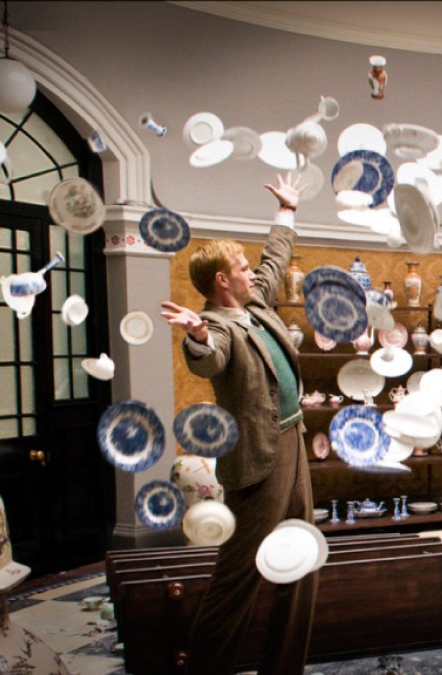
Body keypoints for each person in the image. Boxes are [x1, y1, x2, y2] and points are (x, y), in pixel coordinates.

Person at [160, 173, 315, 675]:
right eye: (242, 268)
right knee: (239, 577)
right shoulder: (217, 324)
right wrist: (197, 336)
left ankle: (284, 667)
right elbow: (210, 358)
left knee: (302, 557)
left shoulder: (255, 304)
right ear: (222, 281)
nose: (252, 272)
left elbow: (275, 259)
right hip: (259, 457)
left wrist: (287, 211)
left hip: (293, 438)